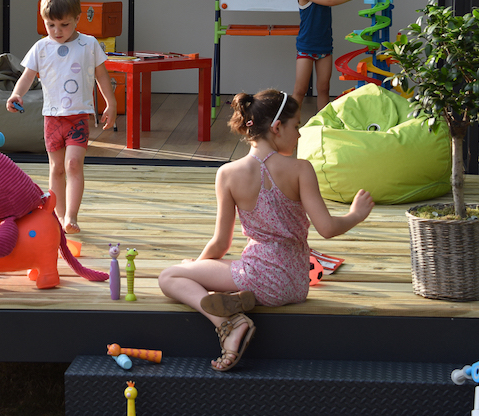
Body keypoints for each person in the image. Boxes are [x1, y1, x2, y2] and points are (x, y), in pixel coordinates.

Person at [157, 89, 374, 372]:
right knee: (202, 271)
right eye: (296, 126)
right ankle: (233, 302)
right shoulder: (300, 169)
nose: (298, 135)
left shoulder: (228, 174)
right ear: (277, 127)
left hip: (258, 275)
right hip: (297, 281)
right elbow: (327, 228)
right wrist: (355, 215)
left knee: (170, 276)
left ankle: (229, 323)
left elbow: (221, 243)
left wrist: (196, 268)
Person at [6, 0, 116, 234]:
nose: (57, 31)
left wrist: (111, 102)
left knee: (74, 165)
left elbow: (102, 75)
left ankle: (72, 217)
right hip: (52, 119)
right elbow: (27, 76)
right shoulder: (41, 48)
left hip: (78, 117)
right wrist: (16, 94)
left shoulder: (89, 45)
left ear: (78, 18)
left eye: (64, 25)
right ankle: (59, 216)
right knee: (56, 168)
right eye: (51, 25)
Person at [290, 0, 372, 111]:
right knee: (300, 91)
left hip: (325, 47)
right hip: (306, 48)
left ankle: (324, 125)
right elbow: (330, 1)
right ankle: (288, 126)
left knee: (323, 89)